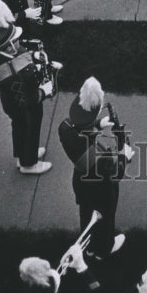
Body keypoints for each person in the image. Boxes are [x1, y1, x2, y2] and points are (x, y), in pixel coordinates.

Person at [58, 78, 131, 259]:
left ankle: (89, 245)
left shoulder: (65, 127)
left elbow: (81, 131)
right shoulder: (101, 159)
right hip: (102, 189)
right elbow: (116, 174)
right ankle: (104, 249)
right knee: (106, 219)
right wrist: (124, 155)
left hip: (81, 181)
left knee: (86, 214)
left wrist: (98, 124)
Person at [0, 1, 55, 175]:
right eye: (16, 41)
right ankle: (29, 164)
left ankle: (23, 155)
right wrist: (44, 91)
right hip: (23, 106)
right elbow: (27, 100)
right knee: (30, 128)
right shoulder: (15, 74)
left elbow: (19, 55)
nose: (19, 43)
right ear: (10, 46)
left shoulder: (2, 55)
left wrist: (32, 55)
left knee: (20, 129)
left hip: (12, 104)